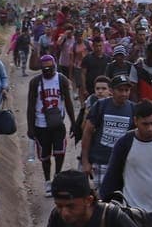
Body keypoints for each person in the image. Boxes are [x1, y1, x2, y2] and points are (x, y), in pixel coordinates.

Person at [29, 54, 78, 197]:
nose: (48, 72)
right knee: (45, 156)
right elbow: (31, 106)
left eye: (50, 69)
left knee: (59, 152)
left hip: (57, 124)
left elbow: (68, 102)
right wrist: (30, 128)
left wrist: (73, 123)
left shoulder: (61, 79)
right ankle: (47, 181)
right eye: (45, 69)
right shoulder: (35, 82)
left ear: (55, 67)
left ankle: (57, 176)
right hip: (40, 124)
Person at [80, 75, 134, 187]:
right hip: (101, 161)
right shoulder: (100, 106)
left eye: (126, 90)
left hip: (122, 164)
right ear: (111, 90)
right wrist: (85, 161)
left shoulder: (133, 109)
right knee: (101, 198)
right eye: (120, 90)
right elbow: (87, 132)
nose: (124, 93)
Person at [46, 169, 138, 227]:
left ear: (88, 200)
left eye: (71, 206)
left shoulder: (112, 217)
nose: (64, 213)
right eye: (59, 206)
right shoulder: (57, 216)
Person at [80, 36, 113, 101]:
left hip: (104, 88)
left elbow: (110, 74)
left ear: (103, 45)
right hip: (90, 88)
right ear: (93, 46)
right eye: (96, 46)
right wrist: (84, 89)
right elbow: (83, 74)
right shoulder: (87, 58)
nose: (98, 48)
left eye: (100, 46)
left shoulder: (108, 59)